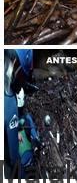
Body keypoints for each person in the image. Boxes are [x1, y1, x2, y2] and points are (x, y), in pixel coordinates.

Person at [4, 49, 35, 177]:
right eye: (22, 75)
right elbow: (14, 158)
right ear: (16, 63)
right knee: (25, 157)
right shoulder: (8, 101)